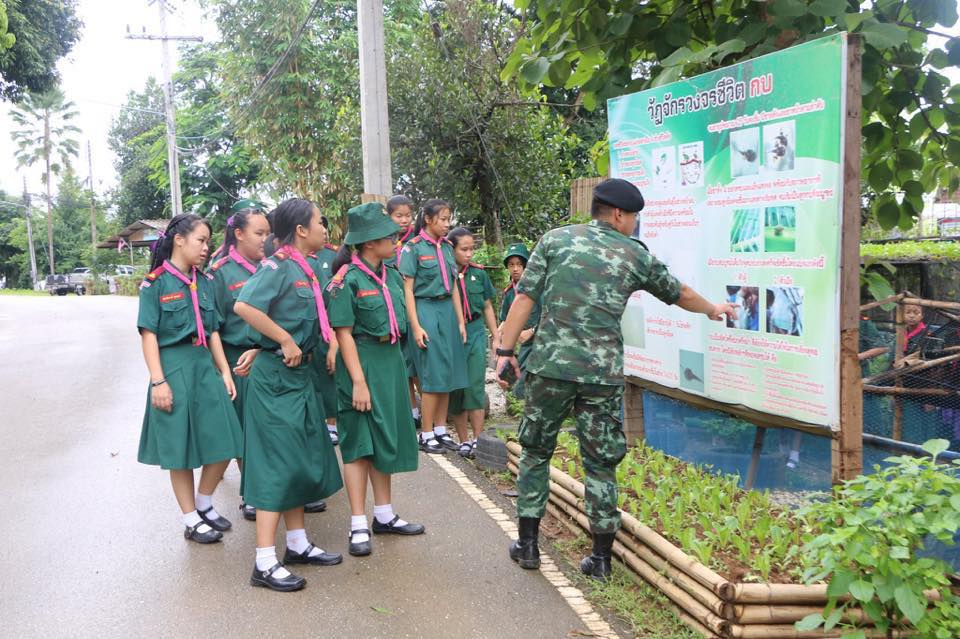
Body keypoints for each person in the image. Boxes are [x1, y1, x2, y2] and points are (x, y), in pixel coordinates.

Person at [496, 178, 738, 581]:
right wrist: (713, 308)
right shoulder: (633, 255)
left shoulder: (555, 241)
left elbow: (524, 299)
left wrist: (505, 353)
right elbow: (678, 292)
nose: (634, 226)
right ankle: (601, 559)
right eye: (634, 219)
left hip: (550, 370)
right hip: (601, 375)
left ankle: (529, 545)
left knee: (536, 453)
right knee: (600, 463)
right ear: (620, 215)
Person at [234, 198, 344, 592]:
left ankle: (297, 544)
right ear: (301, 229)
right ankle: (264, 561)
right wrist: (278, 340)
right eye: (319, 222)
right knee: (276, 464)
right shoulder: (277, 265)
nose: (324, 228)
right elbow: (244, 305)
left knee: (299, 459)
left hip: (298, 376)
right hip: (276, 379)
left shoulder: (309, 268)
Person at [137, 213, 244, 545]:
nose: (206, 247)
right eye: (200, 240)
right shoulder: (155, 283)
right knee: (179, 449)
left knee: (226, 436)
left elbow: (212, 331)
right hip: (173, 366)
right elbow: (148, 334)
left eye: (209, 241)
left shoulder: (207, 281)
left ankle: (204, 502)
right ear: (179, 240)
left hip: (203, 365)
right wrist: (158, 381)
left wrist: (225, 371)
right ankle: (190, 518)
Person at [326, 202, 425, 557]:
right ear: (369, 242)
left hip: (390, 361)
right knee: (359, 445)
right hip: (362, 363)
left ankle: (384, 515)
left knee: (386, 439)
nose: (397, 239)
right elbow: (344, 334)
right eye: (390, 236)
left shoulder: (392, 274)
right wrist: (357, 381)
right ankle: (357, 524)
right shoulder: (345, 281)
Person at [209, 203, 271, 522]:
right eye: (259, 233)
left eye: (268, 233)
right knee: (245, 430)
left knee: (270, 429)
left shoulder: (272, 267)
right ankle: (251, 492)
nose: (265, 239)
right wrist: (221, 371)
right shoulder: (219, 274)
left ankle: (276, 488)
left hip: (270, 357)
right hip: (238, 361)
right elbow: (212, 329)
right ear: (238, 234)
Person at [399, 199, 468, 454]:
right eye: (442, 219)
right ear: (428, 219)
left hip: (447, 311)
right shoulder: (413, 248)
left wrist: (460, 321)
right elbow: (407, 289)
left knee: (449, 370)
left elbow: (454, 289)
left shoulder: (448, 247)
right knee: (432, 372)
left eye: (449, 218)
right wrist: (415, 326)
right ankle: (426, 432)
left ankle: (441, 429)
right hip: (425, 309)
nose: (447, 224)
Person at [447, 227, 499, 457]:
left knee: (475, 386)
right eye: (464, 249)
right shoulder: (444, 274)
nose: (469, 254)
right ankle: (463, 440)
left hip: (476, 331)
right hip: (453, 334)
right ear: (452, 249)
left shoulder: (479, 274)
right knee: (457, 388)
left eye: (471, 249)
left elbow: (487, 306)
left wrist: (495, 335)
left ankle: (478, 439)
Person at [383, 195, 421, 430]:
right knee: (401, 366)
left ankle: (425, 411)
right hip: (392, 310)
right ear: (389, 216)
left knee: (416, 364)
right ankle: (411, 410)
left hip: (414, 308)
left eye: (408, 215)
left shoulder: (416, 243)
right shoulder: (382, 243)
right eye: (399, 215)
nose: (405, 220)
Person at [307, 216, 341, 451]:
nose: (324, 231)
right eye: (319, 226)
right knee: (313, 379)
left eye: (325, 227)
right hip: (309, 332)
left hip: (328, 326)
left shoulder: (333, 255)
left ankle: (332, 423)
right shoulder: (294, 261)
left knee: (330, 379)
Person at [498, 242, 541, 398]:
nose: (515, 269)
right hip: (520, 344)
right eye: (511, 265)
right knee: (514, 377)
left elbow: (550, 314)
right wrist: (498, 337)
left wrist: (532, 330)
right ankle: (515, 401)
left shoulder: (538, 289)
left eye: (519, 264)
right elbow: (504, 320)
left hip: (540, 340)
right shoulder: (509, 293)